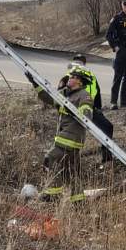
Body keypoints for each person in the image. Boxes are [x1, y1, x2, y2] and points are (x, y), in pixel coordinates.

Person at [30, 71, 94, 203]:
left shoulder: (84, 95)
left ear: (80, 82)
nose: (70, 79)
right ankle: (78, 201)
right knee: (71, 171)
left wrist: (76, 111)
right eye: (70, 77)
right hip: (66, 137)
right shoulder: (64, 94)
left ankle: (52, 195)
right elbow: (48, 97)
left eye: (74, 77)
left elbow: (86, 114)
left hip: (70, 137)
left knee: (50, 158)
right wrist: (35, 84)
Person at [64, 55, 114, 162]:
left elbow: (97, 91)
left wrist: (98, 108)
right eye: (76, 62)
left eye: (80, 63)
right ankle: (67, 159)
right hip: (74, 109)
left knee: (107, 127)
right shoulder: (70, 77)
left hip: (90, 108)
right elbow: (63, 93)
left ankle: (107, 157)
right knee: (68, 135)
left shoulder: (90, 75)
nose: (79, 65)